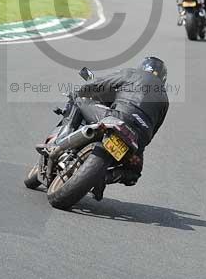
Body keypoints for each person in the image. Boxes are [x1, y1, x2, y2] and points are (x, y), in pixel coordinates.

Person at [65, 56, 170, 200]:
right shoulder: (165, 99)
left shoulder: (133, 73)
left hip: (118, 117)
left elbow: (100, 84)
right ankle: (104, 177)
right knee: (133, 173)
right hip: (138, 138)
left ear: (142, 67)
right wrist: (138, 149)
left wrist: (82, 91)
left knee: (79, 99)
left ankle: (66, 133)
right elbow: (153, 131)